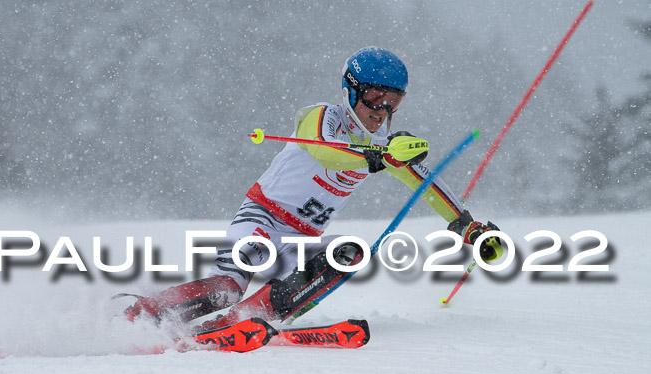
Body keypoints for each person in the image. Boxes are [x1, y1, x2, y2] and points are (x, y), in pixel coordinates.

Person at [125, 47, 501, 329]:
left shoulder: (386, 143)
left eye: (393, 101)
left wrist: (465, 225)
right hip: (263, 219)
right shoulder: (321, 117)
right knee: (225, 287)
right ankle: (140, 315)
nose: (381, 109)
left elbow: (425, 183)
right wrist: (377, 156)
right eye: (373, 96)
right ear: (351, 91)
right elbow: (326, 153)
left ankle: (239, 323)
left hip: (300, 239)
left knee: (349, 253)